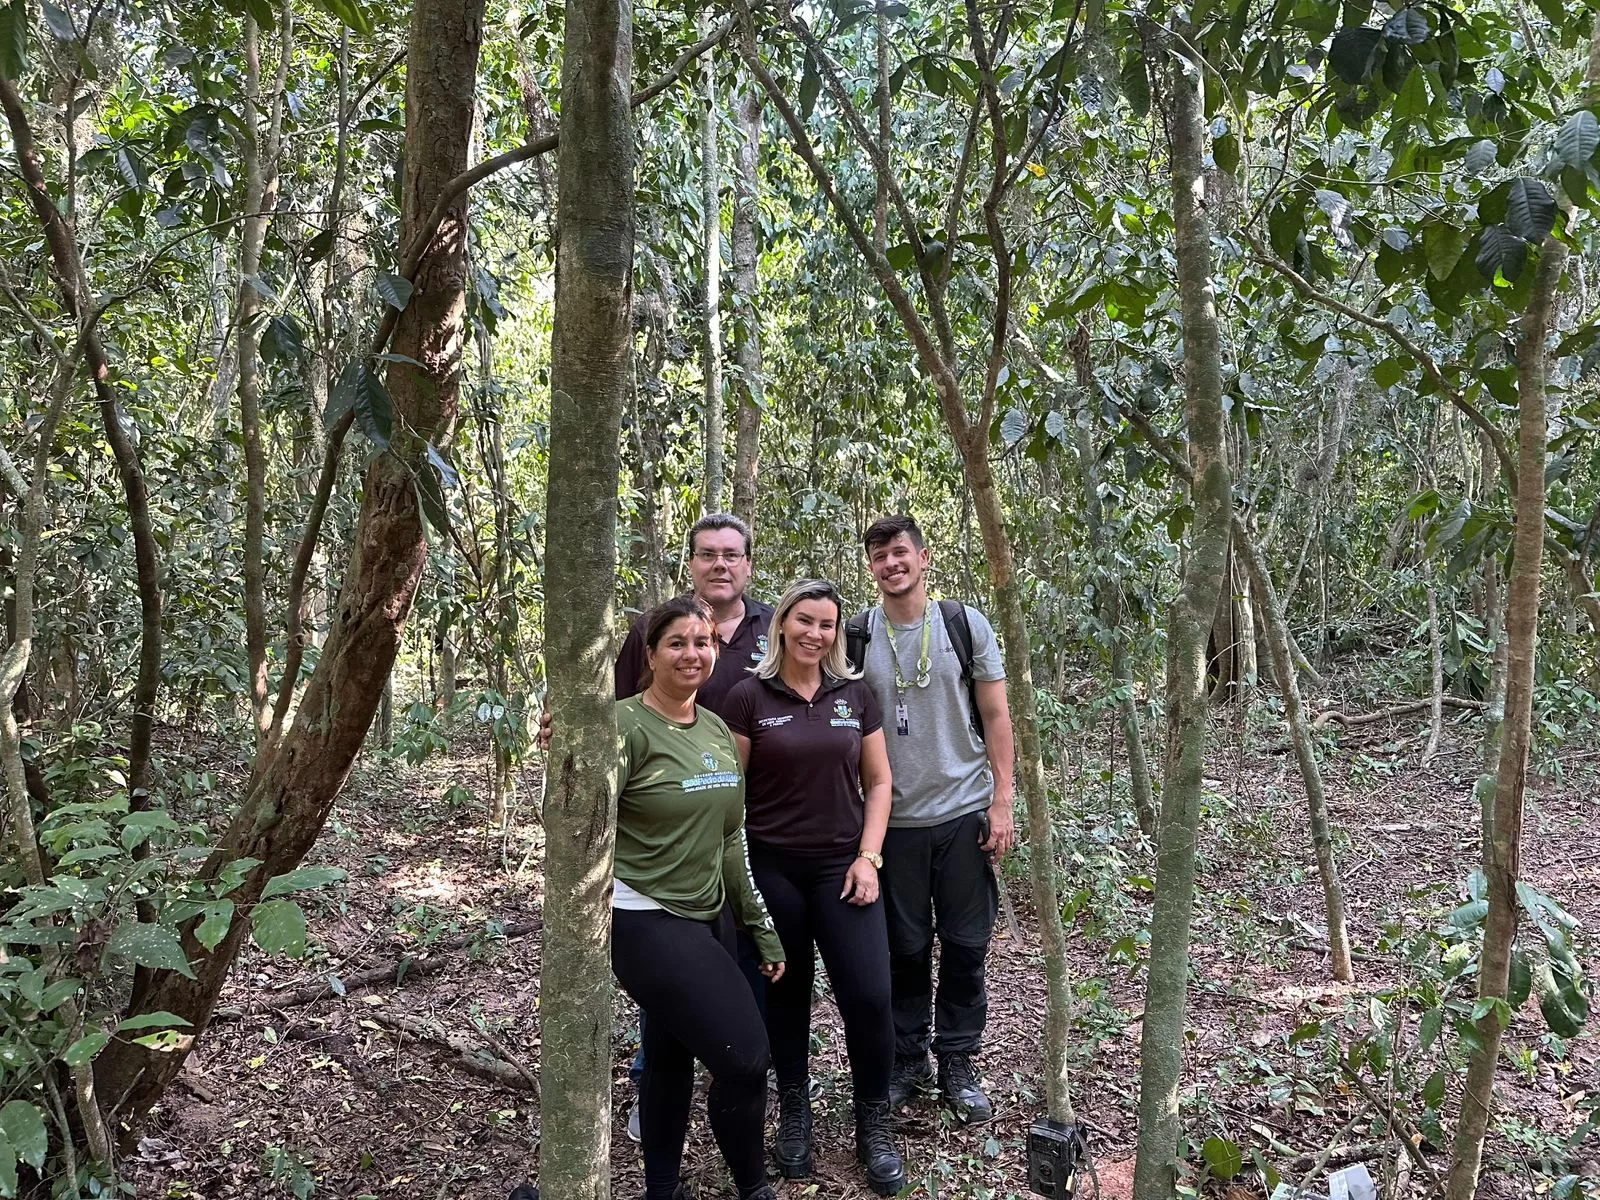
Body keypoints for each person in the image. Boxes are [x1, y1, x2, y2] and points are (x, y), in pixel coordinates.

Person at [723, 580, 906, 1196]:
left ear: (837, 634)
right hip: (773, 867)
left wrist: (869, 858)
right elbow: (732, 792)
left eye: (826, 625)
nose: (815, 634)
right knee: (785, 993)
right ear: (782, 626)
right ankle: (794, 1114)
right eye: (804, 621)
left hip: (843, 869)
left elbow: (878, 783)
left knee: (870, 995)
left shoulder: (856, 694)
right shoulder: (749, 697)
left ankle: (873, 1121)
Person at [609, 596, 786, 1200]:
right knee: (744, 1058)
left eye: (702, 642)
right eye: (677, 643)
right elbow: (575, 820)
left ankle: (662, 1188)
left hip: (710, 915)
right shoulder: (622, 725)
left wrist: (757, 924)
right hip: (643, 916)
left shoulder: (712, 727)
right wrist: (566, 745)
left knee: (668, 1051)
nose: (692, 654)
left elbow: (730, 836)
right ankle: (755, 1189)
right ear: (650, 653)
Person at [850, 515, 1017, 1126]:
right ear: (870, 567)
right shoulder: (857, 635)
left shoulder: (962, 624)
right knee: (906, 948)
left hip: (963, 809)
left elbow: (996, 715)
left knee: (968, 946)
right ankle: (908, 1058)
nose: (891, 564)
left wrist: (1002, 799)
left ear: (923, 557)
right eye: (879, 556)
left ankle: (959, 1059)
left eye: (900, 553)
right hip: (893, 821)